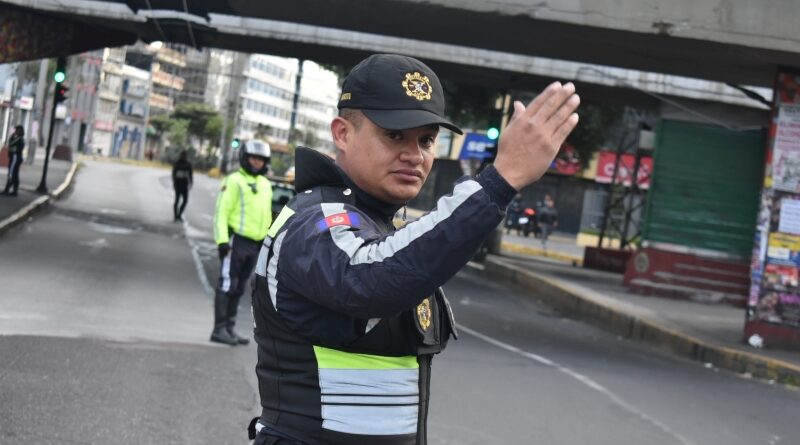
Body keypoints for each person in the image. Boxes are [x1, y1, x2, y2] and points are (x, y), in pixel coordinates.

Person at [247, 53, 579, 445]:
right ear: (342, 134)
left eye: (426, 139)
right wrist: (499, 180)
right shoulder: (314, 222)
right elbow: (369, 279)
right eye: (393, 135)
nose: (414, 154)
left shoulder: (381, 226)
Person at [211, 140, 273, 346]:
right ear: (245, 159)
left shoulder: (265, 184)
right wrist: (222, 241)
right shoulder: (234, 180)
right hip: (235, 241)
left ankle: (229, 327)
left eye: (261, 159)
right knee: (228, 283)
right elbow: (221, 211)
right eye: (253, 158)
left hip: (255, 244)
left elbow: (267, 216)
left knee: (239, 286)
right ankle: (219, 329)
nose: (257, 163)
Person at [171, 150, 193, 222]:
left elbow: (190, 175)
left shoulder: (188, 164)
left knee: (185, 201)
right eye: (182, 156)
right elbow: (173, 174)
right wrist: (174, 183)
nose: (183, 157)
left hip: (184, 185)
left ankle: (179, 215)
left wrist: (191, 183)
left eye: (184, 156)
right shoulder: (177, 163)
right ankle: (176, 216)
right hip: (178, 184)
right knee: (177, 201)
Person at [3, 125, 25, 196]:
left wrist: (11, 146)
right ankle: (10, 189)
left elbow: (11, 146)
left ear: (20, 131)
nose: (15, 131)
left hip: (15, 158)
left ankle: (11, 190)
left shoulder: (19, 139)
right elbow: (10, 144)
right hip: (13, 157)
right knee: (12, 173)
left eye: (17, 130)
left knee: (12, 174)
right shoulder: (15, 137)